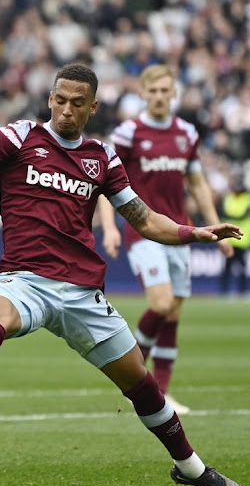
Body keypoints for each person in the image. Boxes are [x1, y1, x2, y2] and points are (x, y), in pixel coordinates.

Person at [0, 63, 245, 486]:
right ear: (50, 99)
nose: (66, 110)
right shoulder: (21, 135)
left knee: (141, 385)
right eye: (60, 100)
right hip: (24, 277)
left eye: (77, 104)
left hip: (82, 291)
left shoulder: (102, 157)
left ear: (93, 108)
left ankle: (191, 466)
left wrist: (193, 232)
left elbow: (144, 219)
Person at [97, 64, 234, 414]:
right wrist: (110, 228)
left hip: (180, 231)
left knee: (172, 312)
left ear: (173, 93)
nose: (158, 96)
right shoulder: (128, 133)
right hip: (143, 231)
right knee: (160, 303)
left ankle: (161, 392)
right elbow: (107, 183)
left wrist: (216, 228)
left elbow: (198, 183)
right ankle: (134, 374)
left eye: (164, 91)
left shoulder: (186, 133)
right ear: (143, 94)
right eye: (152, 91)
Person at [219, 177, 250, 295]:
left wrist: (231, 218)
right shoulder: (228, 197)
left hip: (242, 239)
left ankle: (243, 290)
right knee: (227, 267)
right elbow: (223, 212)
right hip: (229, 239)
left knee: (242, 267)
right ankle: (224, 291)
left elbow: (243, 215)